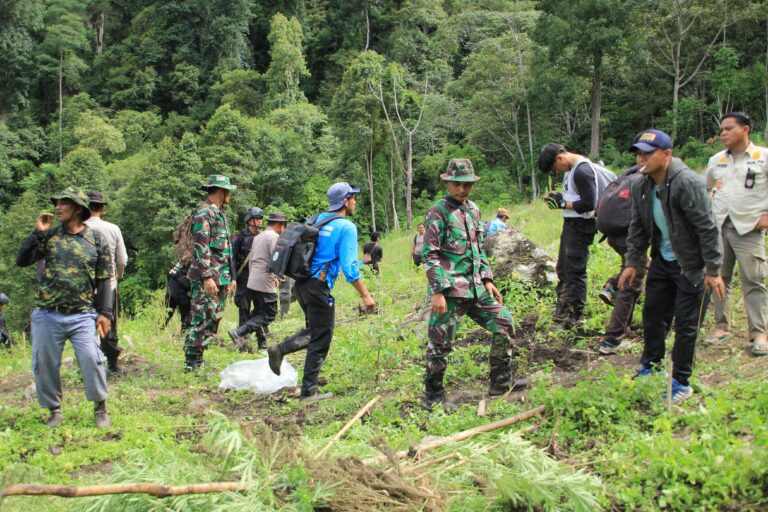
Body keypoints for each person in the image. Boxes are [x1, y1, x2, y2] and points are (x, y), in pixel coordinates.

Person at [618, 129, 725, 405]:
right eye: (638, 153)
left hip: (691, 266)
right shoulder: (642, 184)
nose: (641, 158)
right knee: (652, 315)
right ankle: (652, 367)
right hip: (663, 261)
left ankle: (681, 382)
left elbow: (708, 228)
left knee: (686, 324)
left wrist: (713, 270)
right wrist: (632, 262)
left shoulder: (687, 182)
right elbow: (638, 226)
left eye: (647, 153)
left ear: (667, 154)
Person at [422, 159, 524, 410]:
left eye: (467, 184)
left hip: (476, 288)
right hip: (450, 291)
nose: (462, 189)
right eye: (457, 184)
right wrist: (437, 291)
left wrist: (487, 279)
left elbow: (478, 248)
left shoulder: (474, 210)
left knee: (504, 323)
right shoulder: (438, 212)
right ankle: (433, 396)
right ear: (447, 183)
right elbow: (430, 255)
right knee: (440, 344)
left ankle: (500, 382)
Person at [266, 182, 376, 401]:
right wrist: (366, 295)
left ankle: (291, 363)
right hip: (317, 287)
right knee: (321, 336)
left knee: (315, 331)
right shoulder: (346, 227)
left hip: (301, 285)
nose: (355, 202)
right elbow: (349, 268)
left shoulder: (317, 219)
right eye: (353, 198)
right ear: (345, 201)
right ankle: (306, 388)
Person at [16, 187, 114, 428]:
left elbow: (104, 279)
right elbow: (22, 260)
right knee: (44, 364)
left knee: (91, 359)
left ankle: (100, 408)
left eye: (63, 203)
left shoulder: (95, 239)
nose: (57, 207)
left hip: (83, 314)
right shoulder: (49, 236)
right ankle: (55, 410)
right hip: (48, 313)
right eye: (57, 203)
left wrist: (105, 312)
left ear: (78, 209)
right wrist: (37, 233)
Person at [703, 112, 768, 356]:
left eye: (729, 128)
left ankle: (759, 333)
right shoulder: (717, 160)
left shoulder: (762, 157)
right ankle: (721, 327)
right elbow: (705, 187)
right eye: (722, 129)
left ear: (745, 129)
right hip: (719, 227)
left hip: (749, 227)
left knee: (754, 280)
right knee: (719, 277)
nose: (723, 134)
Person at [539, 143, 600, 328]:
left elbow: (589, 203)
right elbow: (576, 195)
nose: (556, 171)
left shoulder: (582, 171)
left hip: (582, 225)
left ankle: (575, 316)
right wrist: (559, 197)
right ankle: (563, 310)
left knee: (575, 270)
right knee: (563, 268)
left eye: (554, 168)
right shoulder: (571, 170)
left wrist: (563, 204)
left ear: (560, 158)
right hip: (571, 224)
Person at [183, 175, 236, 372]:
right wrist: (206, 277)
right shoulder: (204, 214)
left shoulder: (220, 214)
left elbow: (226, 251)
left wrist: (231, 278)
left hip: (220, 277)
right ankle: (191, 363)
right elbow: (200, 247)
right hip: (208, 279)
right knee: (201, 318)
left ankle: (199, 357)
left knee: (213, 319)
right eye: (228, 191)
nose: (230, 195)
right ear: (221, 191)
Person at [597, 164, 645, 355]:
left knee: (635, 270)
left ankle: (613, 288)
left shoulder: (628, 175)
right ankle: (612, 340)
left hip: (613, 234)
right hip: (628, 236)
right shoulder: (645, 180)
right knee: (631, 284)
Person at [229, 212, 288, 351]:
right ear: (280, 225)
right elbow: (276, 259)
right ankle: (239, 333)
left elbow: (252, 260)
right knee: (268, 313)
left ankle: (261, 342)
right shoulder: (272, 237)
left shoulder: (259, 236)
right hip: (260, 280)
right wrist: (278, 276)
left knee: (259, 311)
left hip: (253, 279)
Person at [85, 191, 128, 374]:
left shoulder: (77, 229)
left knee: (84, 324)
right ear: (101, 209)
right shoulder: (112, 228)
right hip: (108, 283)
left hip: (84, 284)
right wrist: (116, 277)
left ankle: (88, 364)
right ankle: (112, 364)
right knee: (108, 322)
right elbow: (122, 260)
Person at [232, 207, 263, 330]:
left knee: (260, 306)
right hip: (244, 276)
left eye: (261, 218)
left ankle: (262, 334)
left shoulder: (263, 235)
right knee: (244, 306)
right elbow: (233, 258)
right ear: (250, 220)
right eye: (257, 218)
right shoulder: (240, 236)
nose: (260, 220)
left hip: (258, 276)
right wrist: (234, 278)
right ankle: (242, 336)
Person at [164, 262, 192, 330]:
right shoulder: (192, 262)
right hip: (180, 293)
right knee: (186, 316)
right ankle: (184, 333)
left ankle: (159, 330)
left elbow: (170, 274)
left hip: (170, 290)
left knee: (166, 315)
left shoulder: (181, 262)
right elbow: (187, 283)